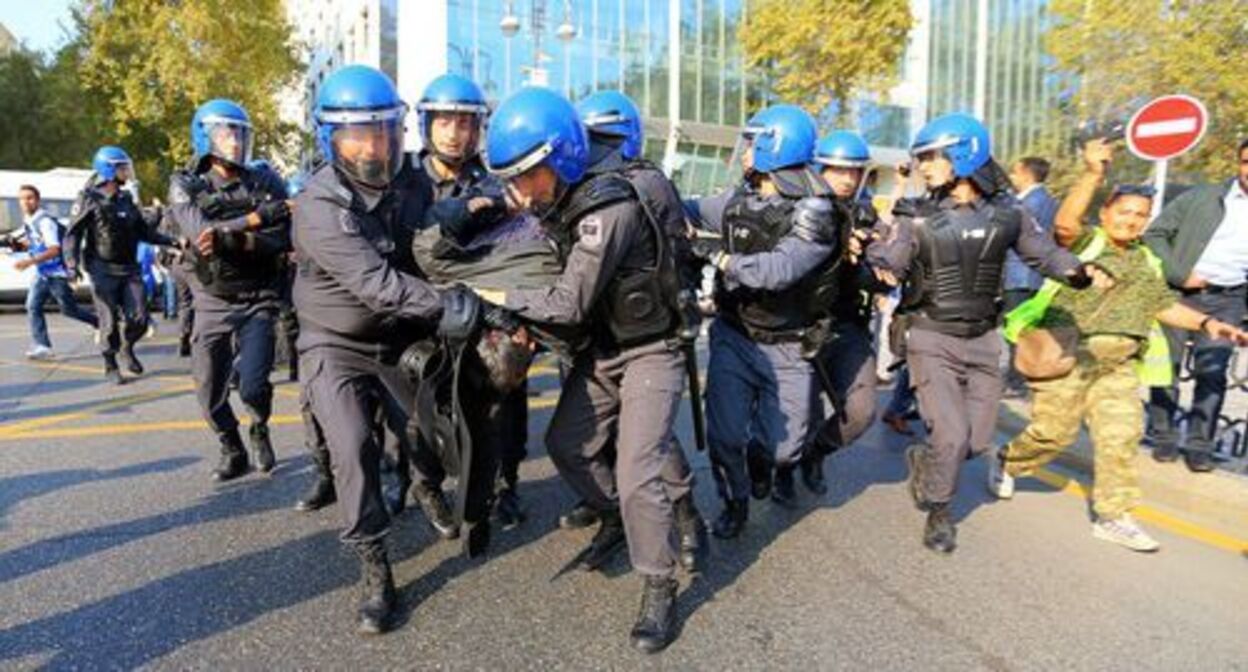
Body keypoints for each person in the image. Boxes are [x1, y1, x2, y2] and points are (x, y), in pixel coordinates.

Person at [482, 86, 688, 653]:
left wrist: (492, 292)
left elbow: (568, 302)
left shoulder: (607, 206)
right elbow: (523, 244)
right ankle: (620, 518)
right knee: (568, 444)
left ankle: (659, 581)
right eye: (510, 180)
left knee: (638, 469)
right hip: (603, 349)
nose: (519, 193)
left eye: (526, 176)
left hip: (651, 349)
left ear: (562, 158)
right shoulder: (559, 198)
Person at [866, 113, 1110, 554]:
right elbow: (893, 258)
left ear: (962, 154)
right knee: (953, 435)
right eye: (920, 158)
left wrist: (1079, 272)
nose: (923, 166)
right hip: (930, 335)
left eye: (930, 157)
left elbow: (1046, 255)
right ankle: (940, 512)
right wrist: (878, 258)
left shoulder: (1009, 214)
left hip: (983, 338)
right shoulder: (916, 214)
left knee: (976, 442)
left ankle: (926, 459)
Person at [991, 138, 1248, 551]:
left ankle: (1114, 515)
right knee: (1052, 435)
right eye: (1125, 212)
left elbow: (1163, 305)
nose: (1132, 221)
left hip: (1118, 367)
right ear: (1107, 212)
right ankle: (1009, 459)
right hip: (1069, 357)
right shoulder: (1086, 241)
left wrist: (1208, 322)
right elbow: (1065, 223)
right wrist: (1093, 173)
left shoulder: (1147, 260)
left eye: (1141, 215)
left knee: (1121, 436)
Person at [293, 65, 453, 635]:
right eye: (358, 134)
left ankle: (426, 482)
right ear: (331, 139)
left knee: (427, 433)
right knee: (355, 446)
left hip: (395, 339)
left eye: (383, 130)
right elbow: (379, 285)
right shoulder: (318, 203)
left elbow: (435, 230)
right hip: (333, 342)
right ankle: (374, 565)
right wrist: (453, 304)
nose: (373, 144)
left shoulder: (412, 183)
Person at [689, 105, 840, 539]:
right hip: (734, 336)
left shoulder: (814, 210)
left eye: (754, 142)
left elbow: (778, 270)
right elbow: (694, 208)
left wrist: (717, 256)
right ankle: (734, 502)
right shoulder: (741, 201)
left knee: (785, 448)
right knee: (723, 435)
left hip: (789, 347)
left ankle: (762, 463)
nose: (745, 151)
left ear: (777, 145)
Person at [411, 73, 528, 532]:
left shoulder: (496, 178)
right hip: (429, 309)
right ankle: (427, 484)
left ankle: (506, 485)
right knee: (423, 405)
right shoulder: (407, 179)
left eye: (464, 122)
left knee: (505, 406)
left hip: (489, 310)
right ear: (427, 125)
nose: (454, 133)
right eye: (444, 122)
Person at [166, 99, 292, 482]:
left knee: (254, 384)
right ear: (204, 136)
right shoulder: (186, 183)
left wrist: (242, 235)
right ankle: (230, 445)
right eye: (226, 133)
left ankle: (258, 426)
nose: (235, 142)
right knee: (208, 390)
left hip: (258, 296)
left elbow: (284, 235)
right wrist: (257, 218)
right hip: (211, 297)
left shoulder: (265, 178)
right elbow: (202, 235)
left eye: (239, 133)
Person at [1143, 137, 1248, 472]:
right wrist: (1178, 271)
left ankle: (1200, 446)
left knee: (1213, 372)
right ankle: (1164, 437)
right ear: (1238, 163)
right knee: (1166, 368)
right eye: (1246, 162)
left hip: (1228, 299)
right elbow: (1155, 233)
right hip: (1179, 294)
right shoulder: (1202, 197)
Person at [803, 129, 889, 493]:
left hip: (849, 326)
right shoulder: (800, 209)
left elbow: (884, 272)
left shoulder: (867, 216)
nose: (847, 179)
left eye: (854, 171)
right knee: (799, 417)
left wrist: (874, 264)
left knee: (862, 412)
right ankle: (786, 468)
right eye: (838, 170)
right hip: (802, 327)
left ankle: (817, 452)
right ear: (819, 168)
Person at [63, 146, 175, 384]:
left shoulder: (126, 199)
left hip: (129, 269)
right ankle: (110, 363)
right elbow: (73, 235)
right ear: (109, 170)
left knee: (140, 320)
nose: (128, 172)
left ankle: (128, 347)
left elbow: (144, 231)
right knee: (109, 321)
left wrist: (173, 241)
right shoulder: (88, 199)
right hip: (102, 269)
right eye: (123, 168)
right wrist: (71, 266)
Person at [8, 184, 98, 359]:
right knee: (32, 306)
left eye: (29, 198)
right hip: (43, 273)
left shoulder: (45, 221)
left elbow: (54, 249)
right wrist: (19, 246)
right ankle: (43, 346)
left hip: (56, 274)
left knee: (68, 310)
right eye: (21, 198)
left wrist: (29, 261)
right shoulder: (30, 221)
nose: (25, 202)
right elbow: (36, 243)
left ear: (38, 200)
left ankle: (100, 323)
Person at [1003, 156, 1059, 395]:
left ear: (1026, 175)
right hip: (1037, 275)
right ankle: (1024, 376)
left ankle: (1017, 379)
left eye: (1015, 173)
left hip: (1019, 274)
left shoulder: (1026, 204)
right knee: (1029, 329)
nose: (1012, 177)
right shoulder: (1051, 202)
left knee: (1016, 329)